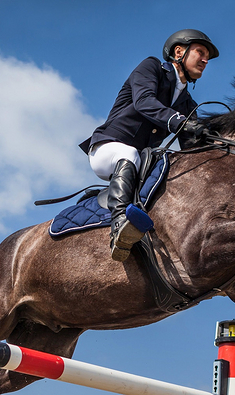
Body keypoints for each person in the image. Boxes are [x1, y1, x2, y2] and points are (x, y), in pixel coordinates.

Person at [79, 29, 219, 262]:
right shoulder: (151, 67)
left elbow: (191, 149)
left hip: (141, 160)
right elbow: (144, 101)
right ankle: (120, 224)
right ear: (179, 51)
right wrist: (179, 121)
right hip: (108, 148)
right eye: (201, 52)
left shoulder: (188, 103)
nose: (205, 60)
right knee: (130, 153)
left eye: (207, 57)